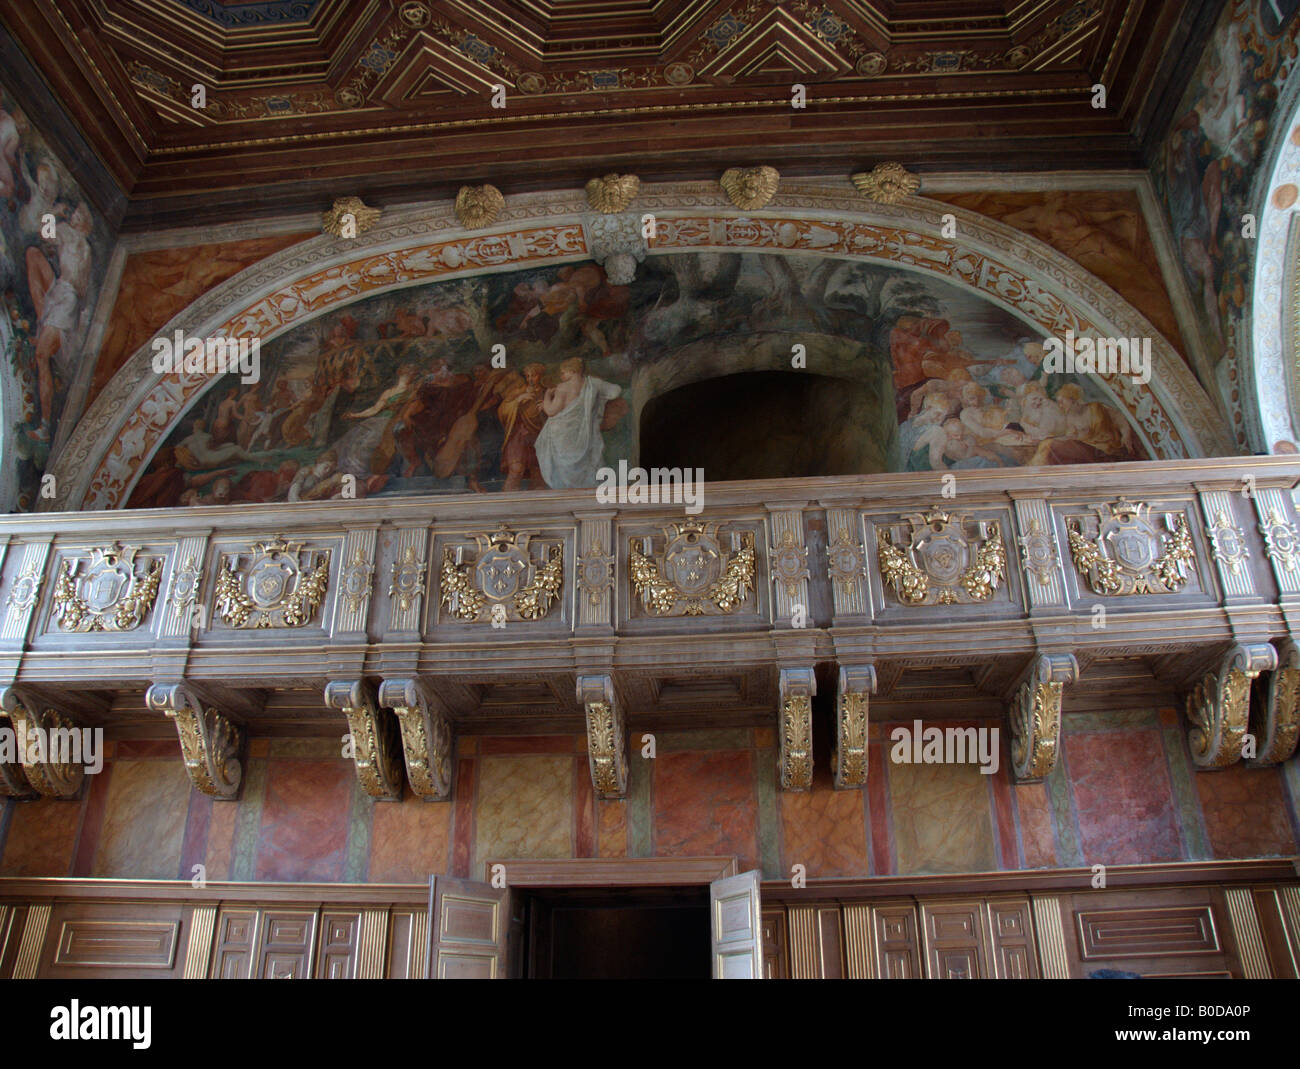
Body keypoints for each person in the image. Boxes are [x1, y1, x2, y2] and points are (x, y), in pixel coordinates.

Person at [534, 357, 623, 488]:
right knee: (584, 463)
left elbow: (551, 411)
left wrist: (547, 396)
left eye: (563, 372)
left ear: (573, 371)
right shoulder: (593, 384)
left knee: (564, 463)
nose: (561, 376)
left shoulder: (562, 388)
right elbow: (616, 390)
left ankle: (566, 489)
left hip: (561, 432)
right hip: (582, 432)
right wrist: (598, 398)